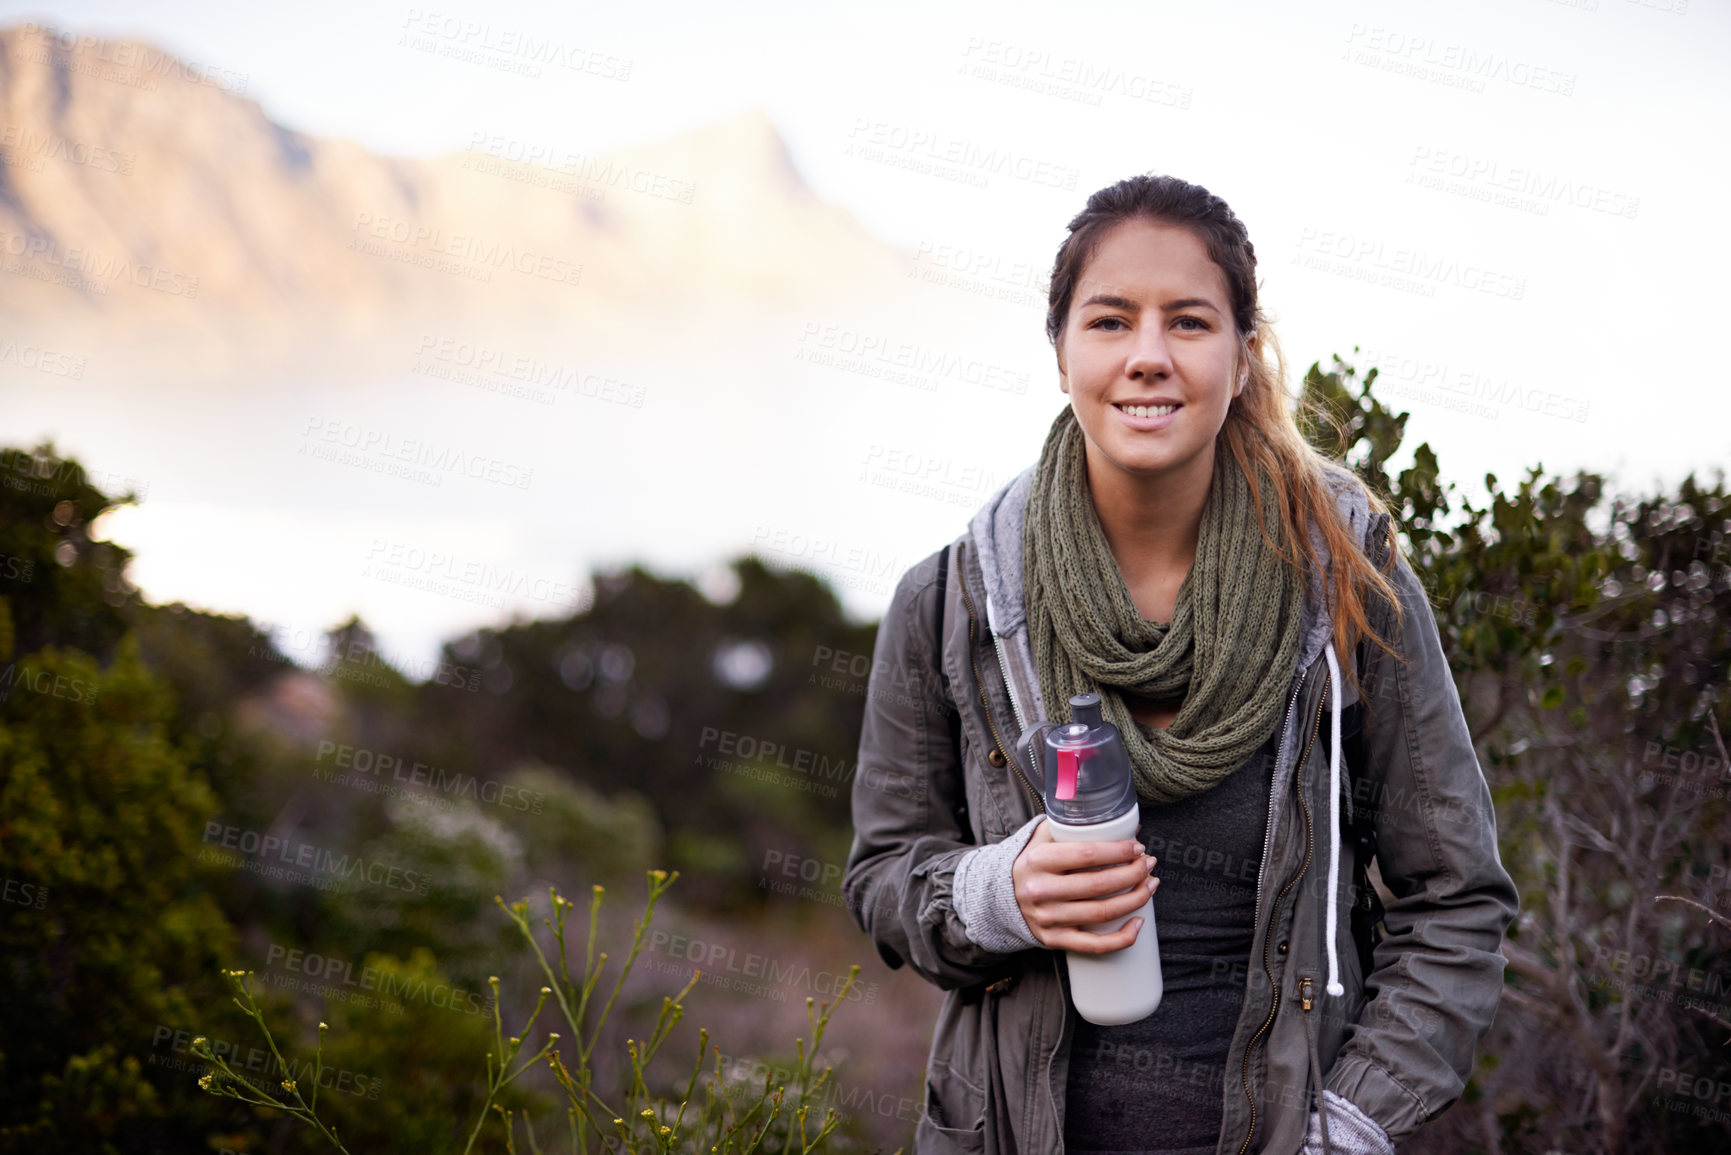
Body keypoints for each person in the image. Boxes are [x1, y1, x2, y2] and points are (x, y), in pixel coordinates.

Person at [842, 173, 1519, 1155]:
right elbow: (884, 874)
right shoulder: (949, 603)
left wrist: (1355, 1123)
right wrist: (1000, 893)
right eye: (1111, 321)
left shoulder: (1347, 584)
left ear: (1243, 358)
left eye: (1190, 323)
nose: (1149, 357)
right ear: (1061, 352)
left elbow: (1457, 900)